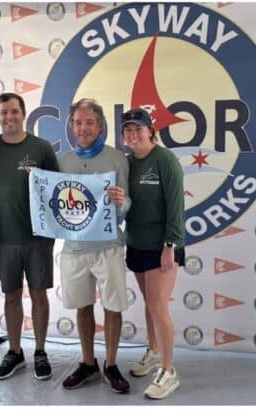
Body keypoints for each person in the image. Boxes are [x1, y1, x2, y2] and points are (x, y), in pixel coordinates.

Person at [0, 93, 60, 379]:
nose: (9, 117)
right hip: (4, 239)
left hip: (38, 238)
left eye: (14, 111)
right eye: (4, 112)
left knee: (39, 294)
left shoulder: (41, 148)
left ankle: (40, 351)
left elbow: (58, 190)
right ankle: (15, 352)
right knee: (11, 295)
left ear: (23, 114)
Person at [55, 99, 131, 393]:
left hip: (109, 247)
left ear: (99, 126)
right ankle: (88, 363)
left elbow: (128, 204)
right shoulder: (64, 161)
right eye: (78, 122)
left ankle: (110, 365)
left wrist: (121, 201)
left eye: (89, 122)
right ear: (72, 127)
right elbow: (56, 204)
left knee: (113, 306)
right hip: (74, 248)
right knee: (83, 306)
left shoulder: (116, 158)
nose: (83, 128)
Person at [118, 107, 185, 399]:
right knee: (148, 304)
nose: (133, 134)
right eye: (128, 130)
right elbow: (126, 203)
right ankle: (155, 352)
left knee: (159, 306)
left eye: (138, 129)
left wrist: (170, 245)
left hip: (162, 246)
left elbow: (176, 206)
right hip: (136, 242)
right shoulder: (127, 163)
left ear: (151, 131)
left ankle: (169, 372)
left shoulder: (165, 160)